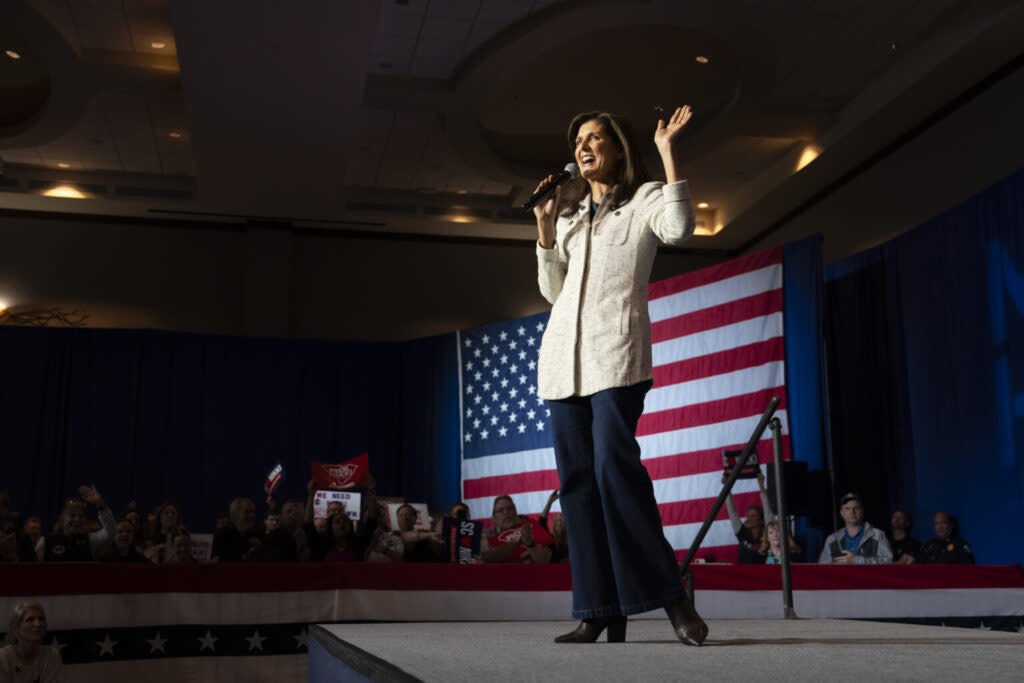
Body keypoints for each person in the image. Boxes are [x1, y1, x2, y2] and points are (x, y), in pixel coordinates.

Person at [534, 107, 704, 645]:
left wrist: (669, 152)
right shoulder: (571, 218)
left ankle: (671, 597)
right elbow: (553, 294)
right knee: (578, 486)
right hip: (563, 367)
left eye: (594, 138)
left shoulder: (644, 200)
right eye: (577, 140)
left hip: (616, 358)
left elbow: (679, 227)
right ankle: (600, 608)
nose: (583, 147)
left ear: (617, 147)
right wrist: (544, 225)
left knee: (613, 468)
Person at [41, 486, 116, 562]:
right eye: (72, 515)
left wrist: (100, 504)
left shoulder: (91, 540)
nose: (77, 519)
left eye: (81, 516)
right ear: (62, 519)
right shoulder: (45, 542)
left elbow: (111, 532)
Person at [817, 493, 893, 564]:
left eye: (856, 508)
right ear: (841, 513)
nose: (852, 512)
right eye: (847, 508)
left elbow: (888, 562)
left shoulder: (878, 535)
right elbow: (822, 567)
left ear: (862, 511)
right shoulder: (832, 539)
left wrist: (856, 560)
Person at [0, 600, 63, 682]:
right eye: (30, 619)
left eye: (41, 619)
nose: (38, 624)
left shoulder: (51, 655)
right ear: (16, 627)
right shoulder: (3, 658)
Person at [480, 495, 552, 564]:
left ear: (516, 512)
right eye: (500, 510)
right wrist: (515, 542)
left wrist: (531, 544)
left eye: (510, 508)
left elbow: (546, 561)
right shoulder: (486, 534)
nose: (506, 512)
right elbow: (485, 558)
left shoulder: (532, 527)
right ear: (494, 517)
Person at [723, 469, 775, 564]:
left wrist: (761, 485)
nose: (749, 518)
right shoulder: (741, 531)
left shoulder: (768, 531)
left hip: (765, 573)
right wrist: (727, 487)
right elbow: (732, 513)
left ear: (761, 520)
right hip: (745, 574)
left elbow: (768, 513)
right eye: (748, 515)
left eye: (754, 516)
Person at [211, 497, 263, 562]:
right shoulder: (223, 535)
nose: (252, 515)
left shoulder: (257, 534)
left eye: (253, 511)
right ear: (235, 513)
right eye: (247, 512)